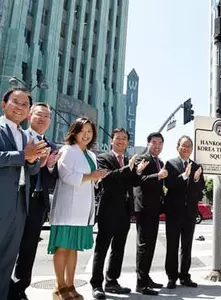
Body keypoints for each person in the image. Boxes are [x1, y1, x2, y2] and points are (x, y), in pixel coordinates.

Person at [48, 117, 107, 300]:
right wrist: (91, 176)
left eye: (90, 132)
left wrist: (98, 177)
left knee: (73, 249)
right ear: (75, 132)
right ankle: (59, 287)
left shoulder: (91, 155)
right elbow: (66, 176)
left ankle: (71, 284)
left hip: (83, 210)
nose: (86, 135)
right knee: (63, 248)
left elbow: (91, 180)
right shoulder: (67, 151)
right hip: (67, 208)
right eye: (83, 131)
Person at [10, 103, 61, 300]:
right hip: (17, 198)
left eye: (47, 116)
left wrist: (49, 166)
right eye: (39, 115)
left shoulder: (52, 146)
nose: (43, 118)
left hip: (38, 202)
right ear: (30, 116)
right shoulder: (19, 137)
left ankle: (20, 288)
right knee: (9, 244)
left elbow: (54, 176)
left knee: (29, 248)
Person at [91, 128, 149, 299]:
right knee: (101, 249)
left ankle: (112, 281)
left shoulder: (128, 161)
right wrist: (128, 168)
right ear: (112, 141)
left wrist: (137, 172)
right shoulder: (103, 158)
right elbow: (107, 179)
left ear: (127, 142)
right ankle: (96, 284)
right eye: (118, 138)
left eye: (124, 139)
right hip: (108, 210)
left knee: (118, 248)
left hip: (124, 211)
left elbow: (134, 183)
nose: (121, 141)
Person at [0, 88, 47, 299]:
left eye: (24, 104)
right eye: (15, 102)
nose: (20, 107)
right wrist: (22, 155)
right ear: (4, 104)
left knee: (8, 258)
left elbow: (31, 169)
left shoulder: (23, 135)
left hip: (20, 202)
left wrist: (36, 160)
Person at [164, 136, 205, 289]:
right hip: (174, 212)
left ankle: (185, 276)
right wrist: (185, 176)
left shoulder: (197, 166)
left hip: (190, 213)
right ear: (178, 147)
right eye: (183, 145)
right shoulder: (170, 164)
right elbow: (169, 184)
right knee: (172, 246)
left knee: (187, 246)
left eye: (189, 146)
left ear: (192, 148)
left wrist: (195, 179)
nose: (186, 148)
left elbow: (200, 187)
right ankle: (171, 277)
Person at [134, 132, 168, 296]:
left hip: (155, 210)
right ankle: (140, 284)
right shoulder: (142, 159)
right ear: (148, 144)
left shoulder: (159, 162)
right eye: (154, 142)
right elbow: (139, 180)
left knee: (151, 246)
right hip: (144, 208)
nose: (157, 146)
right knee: (143, 246)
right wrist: (158, 175)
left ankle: (146, 277)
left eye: (160, 143)